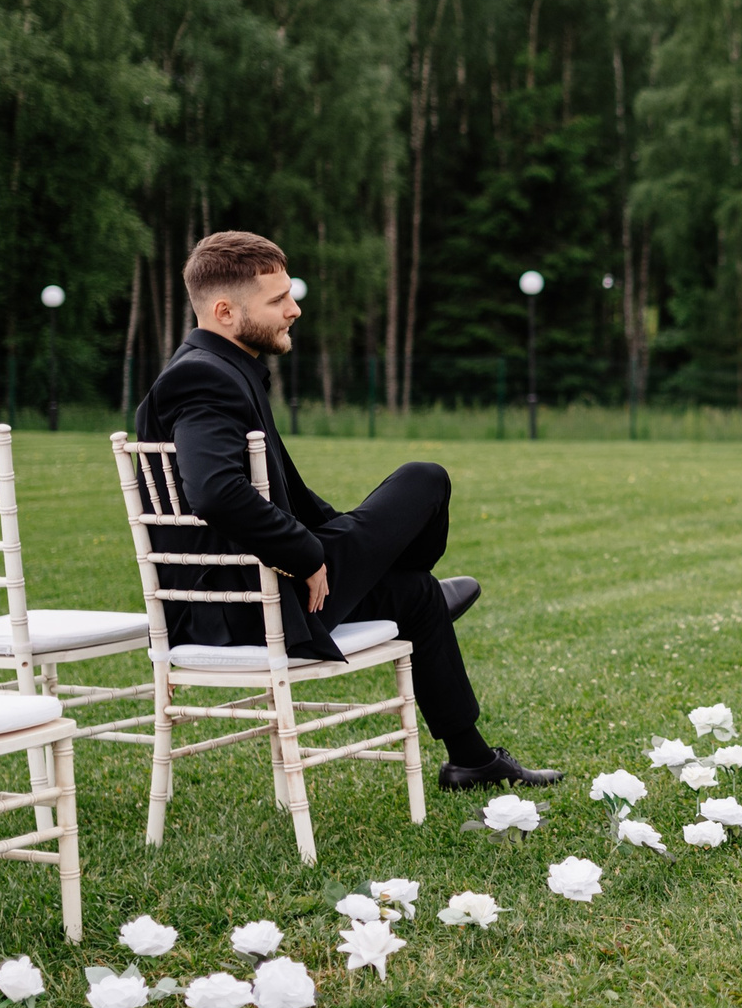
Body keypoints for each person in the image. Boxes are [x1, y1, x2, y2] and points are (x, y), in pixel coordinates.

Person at [132, 230, 559, 790]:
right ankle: (398, 573)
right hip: (240, 607)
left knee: (417, 595)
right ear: (224, 311)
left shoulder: (223, 367)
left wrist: (327, 532)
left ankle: (472, 761)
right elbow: (215, 491)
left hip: (253, 594)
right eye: (278, 299)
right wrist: (308, 553)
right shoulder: (202, 378)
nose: (295, 308)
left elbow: (291, 494)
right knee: (424, 481)